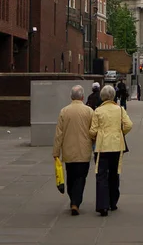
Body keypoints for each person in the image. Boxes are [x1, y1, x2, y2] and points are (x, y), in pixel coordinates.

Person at [89, 85, 133, 216]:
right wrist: (120, 133)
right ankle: (113, 202)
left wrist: (94, 136)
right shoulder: (119, 110)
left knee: (101, 174)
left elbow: (93, 130)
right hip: (116, 145)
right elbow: (128, 125)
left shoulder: (98, 111)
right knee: (114, 173)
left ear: (102, 97)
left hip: (102, 146)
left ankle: (103, 205)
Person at [53, 85, 93, 216]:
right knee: (81, 177)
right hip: (84, 150)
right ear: (82, 97)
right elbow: (93, 131)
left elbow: (59, 134)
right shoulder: (89, 111)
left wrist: (56, 152)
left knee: (70, 176)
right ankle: (76, 201)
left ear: (71, 96)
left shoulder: (64, 111)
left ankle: (73, 199)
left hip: (68, 151)